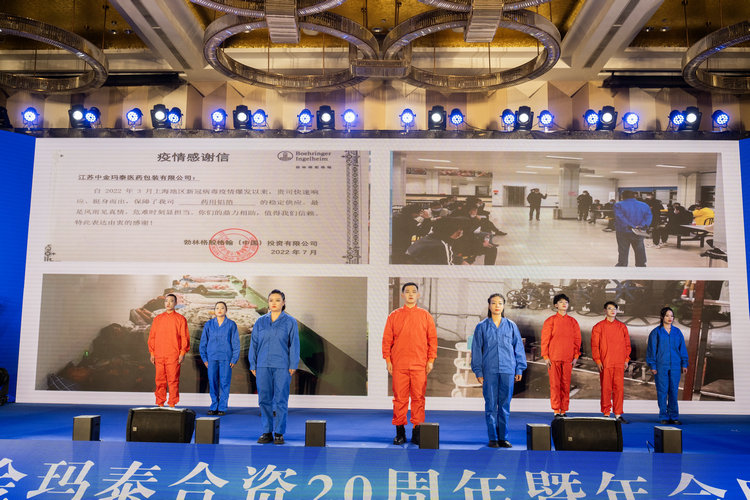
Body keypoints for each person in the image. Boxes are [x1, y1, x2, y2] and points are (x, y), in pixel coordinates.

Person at [382, 282, 437, 445]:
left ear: (418, 295)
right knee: (400, 399)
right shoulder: (394, 316)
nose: (411, 294)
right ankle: (400, 432)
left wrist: (431, 360)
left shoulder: (425, 316)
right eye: (407, 291)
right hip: (399, 364)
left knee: (418, 398)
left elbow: (432, 340)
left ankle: (417, 431)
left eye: (414, 291)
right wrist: (388, 360)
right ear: (402, 295)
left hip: (419, 364)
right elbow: (387, 340)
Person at [470, 293, 526, 448]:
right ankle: (493, 438)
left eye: (500, 303)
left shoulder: (511, 326)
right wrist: (478, 371)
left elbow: (518, 348)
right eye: (493, 303)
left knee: (504, 405)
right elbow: (476, 350)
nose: (497, 306)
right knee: (490, 404)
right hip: (490, 370)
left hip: (508, 369)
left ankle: (503, 438)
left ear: (503, 306)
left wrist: (519, 368)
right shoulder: (482, 327)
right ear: (489, 306)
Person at [249, 289, 300, 444]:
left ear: (283, 303)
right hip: (263, 365)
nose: (274, 303)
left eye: (278, 300)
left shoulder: (290, 322)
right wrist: (253, 363)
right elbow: (254, 343)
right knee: (264, 399)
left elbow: (294, 344)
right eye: (271, 300)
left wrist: (293, 363)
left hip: (282, 366)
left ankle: (279, 432)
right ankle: (266, 431)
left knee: (280, 400)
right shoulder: (260, 321)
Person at [646, 306, 688, 425]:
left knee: (673, 391)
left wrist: (684, 363)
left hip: (675, 366)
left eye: (672, 316)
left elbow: (682, 348)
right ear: (662, 317)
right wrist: (653, 366)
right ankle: (663, 416)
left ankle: (674, 416)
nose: (670, 318)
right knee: (662, 391)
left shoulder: (677, 332)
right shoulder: (656, 332)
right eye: (667, 315)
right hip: (661, 366)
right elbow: (651, 350)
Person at [541, 293, 581, 418]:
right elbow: (545, 340)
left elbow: (577, 340)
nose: (564, 304)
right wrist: (546, 357)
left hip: (568, 358)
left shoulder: (573, 322)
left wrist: (576, 356)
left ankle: (563, 410)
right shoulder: (550, 321)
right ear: (555, 305)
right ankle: (556, 411)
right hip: (554, 358)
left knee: (565, 384)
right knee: (555, 385)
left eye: (566, 302)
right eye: (561, 302)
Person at [591, 301, 631, 422]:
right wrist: (598, 360)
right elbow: (595, 346)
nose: (613, 311)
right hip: (606, 362)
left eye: (614, 309)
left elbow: (627, 345)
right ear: (605, 311)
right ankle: (606, 414)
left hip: (619, 362)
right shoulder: (598, 327)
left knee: (619, 389)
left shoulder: (622, 327)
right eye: (610, 308)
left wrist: (626, 359)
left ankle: (618, 414)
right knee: (606, 388)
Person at [148, 293, 190, 407]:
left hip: (173, 354)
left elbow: (184, 337)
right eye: (166, 301)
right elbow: (152, 336)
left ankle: (172, 404)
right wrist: (152, 353)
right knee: (159, 380)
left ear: (176, 303)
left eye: (171, 301)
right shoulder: (158, 319)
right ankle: (160, 403)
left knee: (173, 380)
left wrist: (182, 353)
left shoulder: (180, 319)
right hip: (159, 354)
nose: (168, 303)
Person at [199, 301, 240, 416]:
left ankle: (222, 407)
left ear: (226, 310)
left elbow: (235, 343)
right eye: (217, 308)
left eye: (222, 308)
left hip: (226, 358)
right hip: (211, 358)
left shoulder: (231, 324)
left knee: (225, 383)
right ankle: (214, 406)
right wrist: (204, 359)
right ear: (214, 310)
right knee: (212, 382)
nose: (220, 310)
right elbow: (203, 343)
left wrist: (234, 359)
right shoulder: (209, 324)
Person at [614, 190, 652, 267]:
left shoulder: (618, 205)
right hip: (639, 231)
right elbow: (648, 216)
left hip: (623, 231)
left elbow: (620, 217)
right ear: (634, 196)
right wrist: (642, 225)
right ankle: (641, 265)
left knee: (623, 249)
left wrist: (631, 225)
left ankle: (622, 265)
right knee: (640, 249)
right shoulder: (644, 205)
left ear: (622, 197)